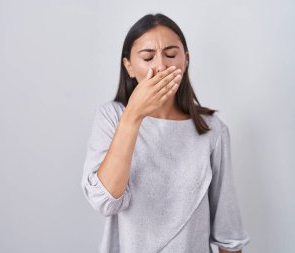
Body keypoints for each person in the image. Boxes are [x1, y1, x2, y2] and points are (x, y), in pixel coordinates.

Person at [81, 13, 251, 253]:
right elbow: (105, 201)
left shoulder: (213, 130)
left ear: (186, 60)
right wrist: (133, 116)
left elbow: (228, 234)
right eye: (148, 57)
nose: (161, 66)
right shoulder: (112, 117)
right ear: (129, 66)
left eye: (171, 55)